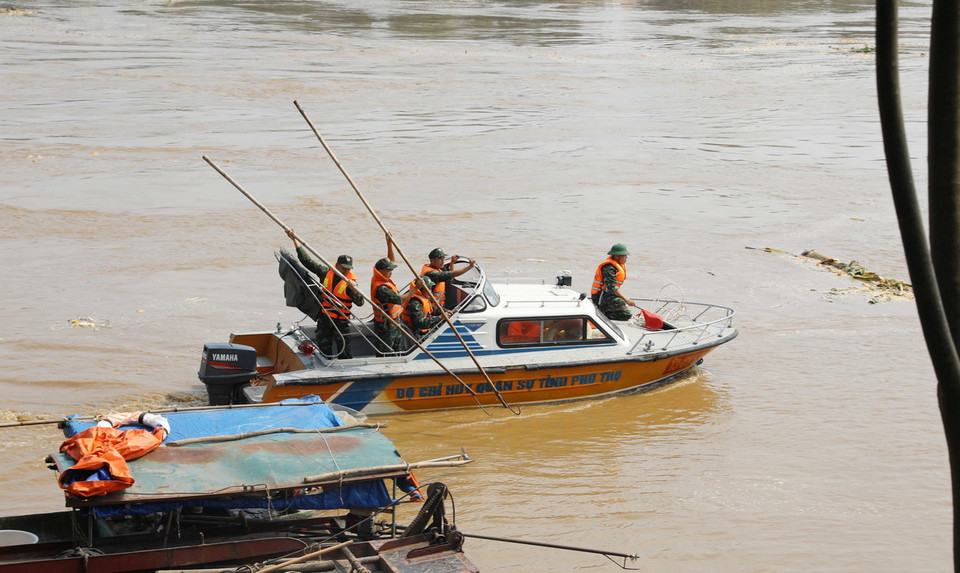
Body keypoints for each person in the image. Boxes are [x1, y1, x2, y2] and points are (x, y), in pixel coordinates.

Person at [286, 229, 364, 359]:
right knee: (323, 346)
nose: (346, 270)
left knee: (344, 350)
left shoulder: (350, 283)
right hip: (325, 317)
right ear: (337, 265)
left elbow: (360, 302)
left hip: (341, 321)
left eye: (348, 268)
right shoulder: (325, 272)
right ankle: (325, 363)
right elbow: (307, 262)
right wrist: (295, 240)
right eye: (344, 267)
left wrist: (354, 289)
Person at [370, 233, 420, 354]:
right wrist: (416, 288)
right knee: (386, 352)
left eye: (392, 269)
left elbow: (391, 260)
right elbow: (400, 299)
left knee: (398, 350)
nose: (391, 272)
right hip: (386, 326)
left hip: (395, 322)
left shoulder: (381, 277)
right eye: (388, 270)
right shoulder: (382, 288)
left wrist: (389, 244)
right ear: (381, 271)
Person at [590, 243, 637, 321]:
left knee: (622, 305)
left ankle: (607, 311)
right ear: (616, 256)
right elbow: (611, 287)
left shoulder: (617, 265)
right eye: (624, 256)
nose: (626, 258)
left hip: (608, 294)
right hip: (600, 297)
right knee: (625, 311)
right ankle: (603, 313)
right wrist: (626, 300)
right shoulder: (608, 268)